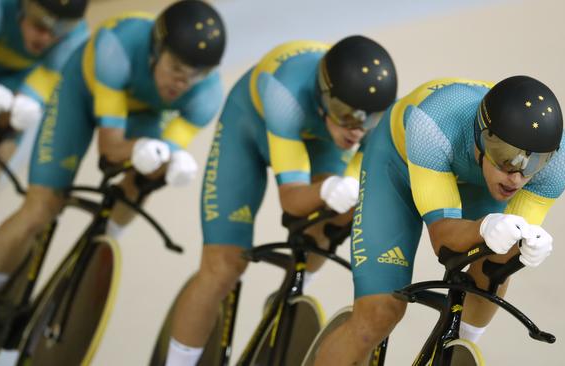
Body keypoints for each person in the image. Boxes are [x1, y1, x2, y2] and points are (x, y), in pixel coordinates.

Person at [0, 0, 226, 355]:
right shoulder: (117, 47)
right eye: (175, 68)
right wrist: (142, 147)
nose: (182, 83)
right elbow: (111, 149)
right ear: (156, 52)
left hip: (141, 114)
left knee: (141, 184)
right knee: (40, 208)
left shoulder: (206, 95)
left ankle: (101, 244)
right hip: (82, 94)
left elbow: (163, 152)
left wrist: (164, 160)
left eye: (195, 75)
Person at [163, 35, 398, 366]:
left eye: (368, 119)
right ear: (324, 94)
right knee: (222, 268)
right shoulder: (286, 92)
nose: (357, 129)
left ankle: (291, 291)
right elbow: (291, 201)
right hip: (250, 128)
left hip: (319, 138)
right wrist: (326, 191)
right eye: (346, 113)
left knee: (344, 208)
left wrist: (339, 191)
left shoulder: (372, 117)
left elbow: (358, 181)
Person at [312, 75, 565, 364]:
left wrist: (526, 246)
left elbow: (501, 256)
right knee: (377, 316)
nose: (516, 177)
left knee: (471, 314)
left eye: (533, 163)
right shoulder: (434, 123)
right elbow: (443, 241)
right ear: (481, 137)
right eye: (506, 158)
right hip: (397, 165)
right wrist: (485, 227)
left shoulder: (560, 163)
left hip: (474, 178)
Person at [0, 0, 90, 206]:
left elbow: (23, 106)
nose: (46, 38)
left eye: (59, 30)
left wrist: (11, 116)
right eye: (40, 25)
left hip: (17, 79)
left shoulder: (76, 39)